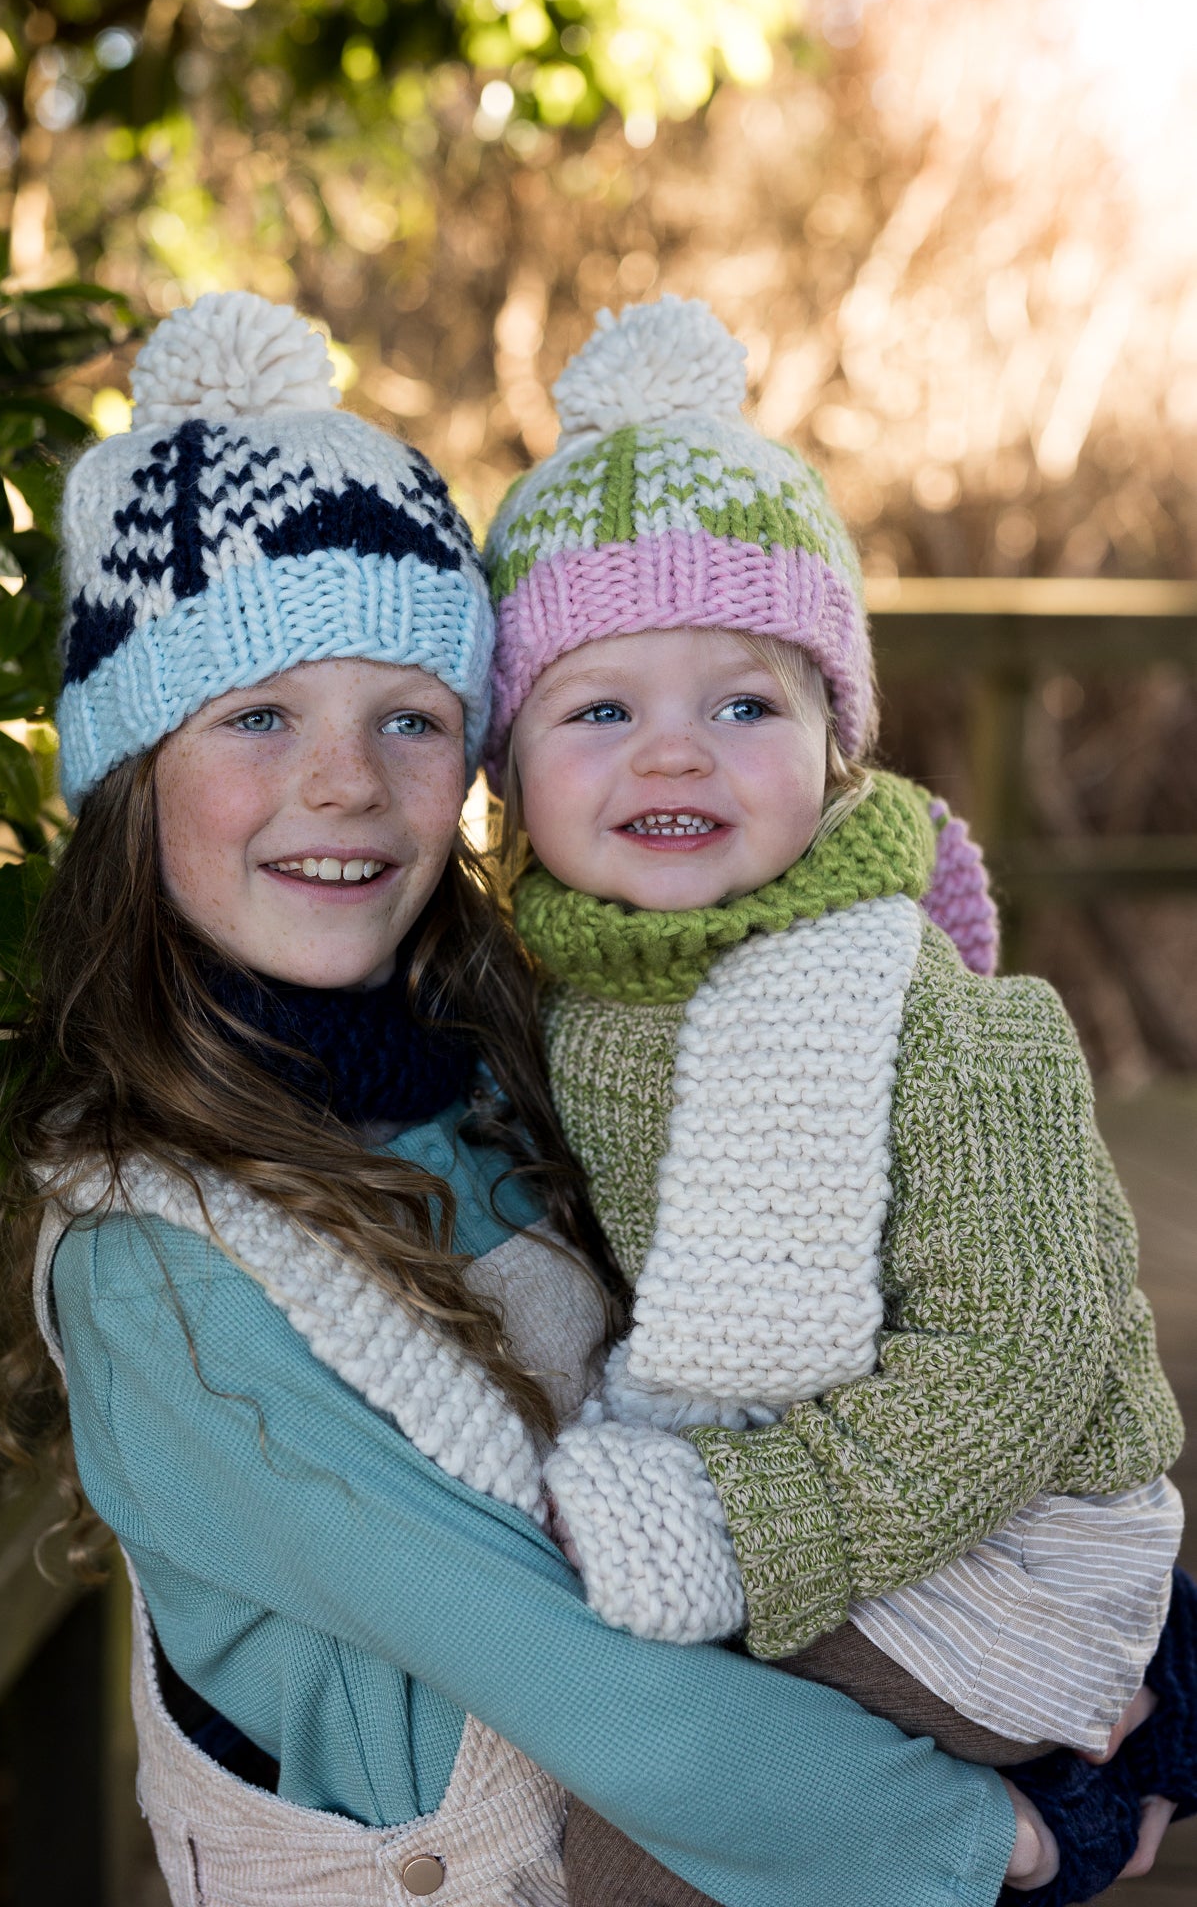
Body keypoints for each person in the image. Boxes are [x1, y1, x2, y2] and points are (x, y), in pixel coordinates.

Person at [0, 289, 1054, 1907]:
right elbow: (580, 1684)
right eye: (258, 716)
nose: (342, 782)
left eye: (408, 721)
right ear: (130, 775)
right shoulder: (162, 1267)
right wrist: (996, 1839)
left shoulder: (503, 1067)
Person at [483, 297, 1196, 1907]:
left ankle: (1064, 1800)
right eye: (599, 710)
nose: (675, 755)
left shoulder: (938, 1032)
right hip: (830, 1518)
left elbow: (1016, 1360)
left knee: (654, 1820)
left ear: (834, 745)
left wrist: (727, 1527)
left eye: (745, 703)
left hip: (1000, 1548)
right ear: (505, 775)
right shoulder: (552, 1000)